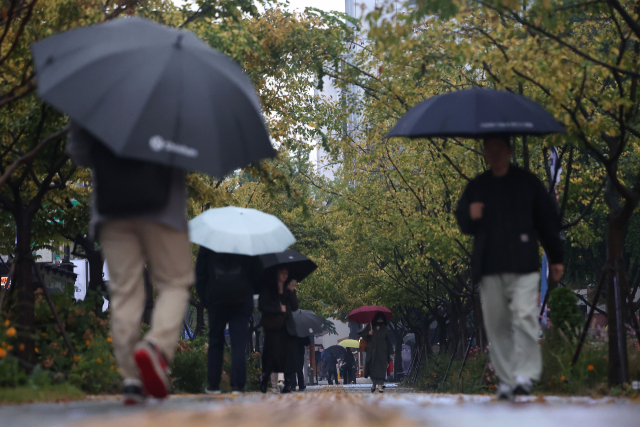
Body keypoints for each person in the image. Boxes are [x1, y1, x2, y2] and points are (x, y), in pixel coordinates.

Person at [67, 124, 194, 405]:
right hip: (163, 208)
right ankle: (156, 347)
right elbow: (191, 150)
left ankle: (132, 381)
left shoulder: (98, 96)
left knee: (125, 292)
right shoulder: (177, 98)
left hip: (113, 209)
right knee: (174, 283)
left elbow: (77, 151)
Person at [455, 135, 564, 400]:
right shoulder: (478, 187)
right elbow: (462, 220)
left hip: (524, 265)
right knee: (497, 324)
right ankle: (505, 379)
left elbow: (548, 221)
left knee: (525, 315)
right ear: (484, 153)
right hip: (490, 268)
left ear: (510, 151)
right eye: (489, 150)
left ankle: (524, 377)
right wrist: (471, 214)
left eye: (499, 149)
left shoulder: (527, 183)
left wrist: (556, 257)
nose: (494, 154)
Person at [195, 248, 260, 394]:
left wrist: (205, 298)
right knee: (238, 343)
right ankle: (238, 385)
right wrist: (249, 292)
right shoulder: (246, 242)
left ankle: (213, 384)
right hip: (241, 301)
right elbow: (257, 273)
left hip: (216, 299)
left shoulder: (209, 243)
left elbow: (200, 273)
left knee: (215, 341)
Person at [258, 268, 299, 393]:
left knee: (288, 355)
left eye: (287, 273)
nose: (285, 276)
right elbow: (262, 306)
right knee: (272, 354)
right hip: (273, 326)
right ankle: (265, 380)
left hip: (286, 326)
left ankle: (287, 383)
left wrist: (292, 292)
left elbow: (295, 306)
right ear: (276, 274)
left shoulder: (288, 288)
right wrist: (278, 308)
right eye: (282, 273)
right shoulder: (268, 287)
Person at [362, 312, 393, 393]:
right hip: (372, 352)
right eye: (378, 318)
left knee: (381, 368)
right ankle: (374, 384)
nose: (380, 320)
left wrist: (391, 351)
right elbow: (362, 335)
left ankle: (380, 386)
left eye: (381, 318)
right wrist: (368, 333)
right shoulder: (370, 327)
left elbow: (388, 341)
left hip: (382, 352)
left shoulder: (385, 329)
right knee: (373, 369)